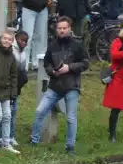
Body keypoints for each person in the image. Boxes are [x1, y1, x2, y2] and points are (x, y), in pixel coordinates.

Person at [29, 17, 89, 153]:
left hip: (71, 85)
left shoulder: (77, 45)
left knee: (71, 117)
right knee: (39, 111)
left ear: (69, 29)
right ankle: (34, 141)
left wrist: (70, 67)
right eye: (59, 28)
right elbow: (46, 64)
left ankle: (70, 146)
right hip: (55, 85)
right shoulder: (52, 45)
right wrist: (52, 72)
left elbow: (86, 63)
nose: (62, 31)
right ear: (56, 30)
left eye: (64, 28)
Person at [14, 0, 50, 69]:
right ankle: (24, 63)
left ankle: (37, 63)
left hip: (42, 10)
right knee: (27, 36)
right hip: (29, 10)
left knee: (40, 37)